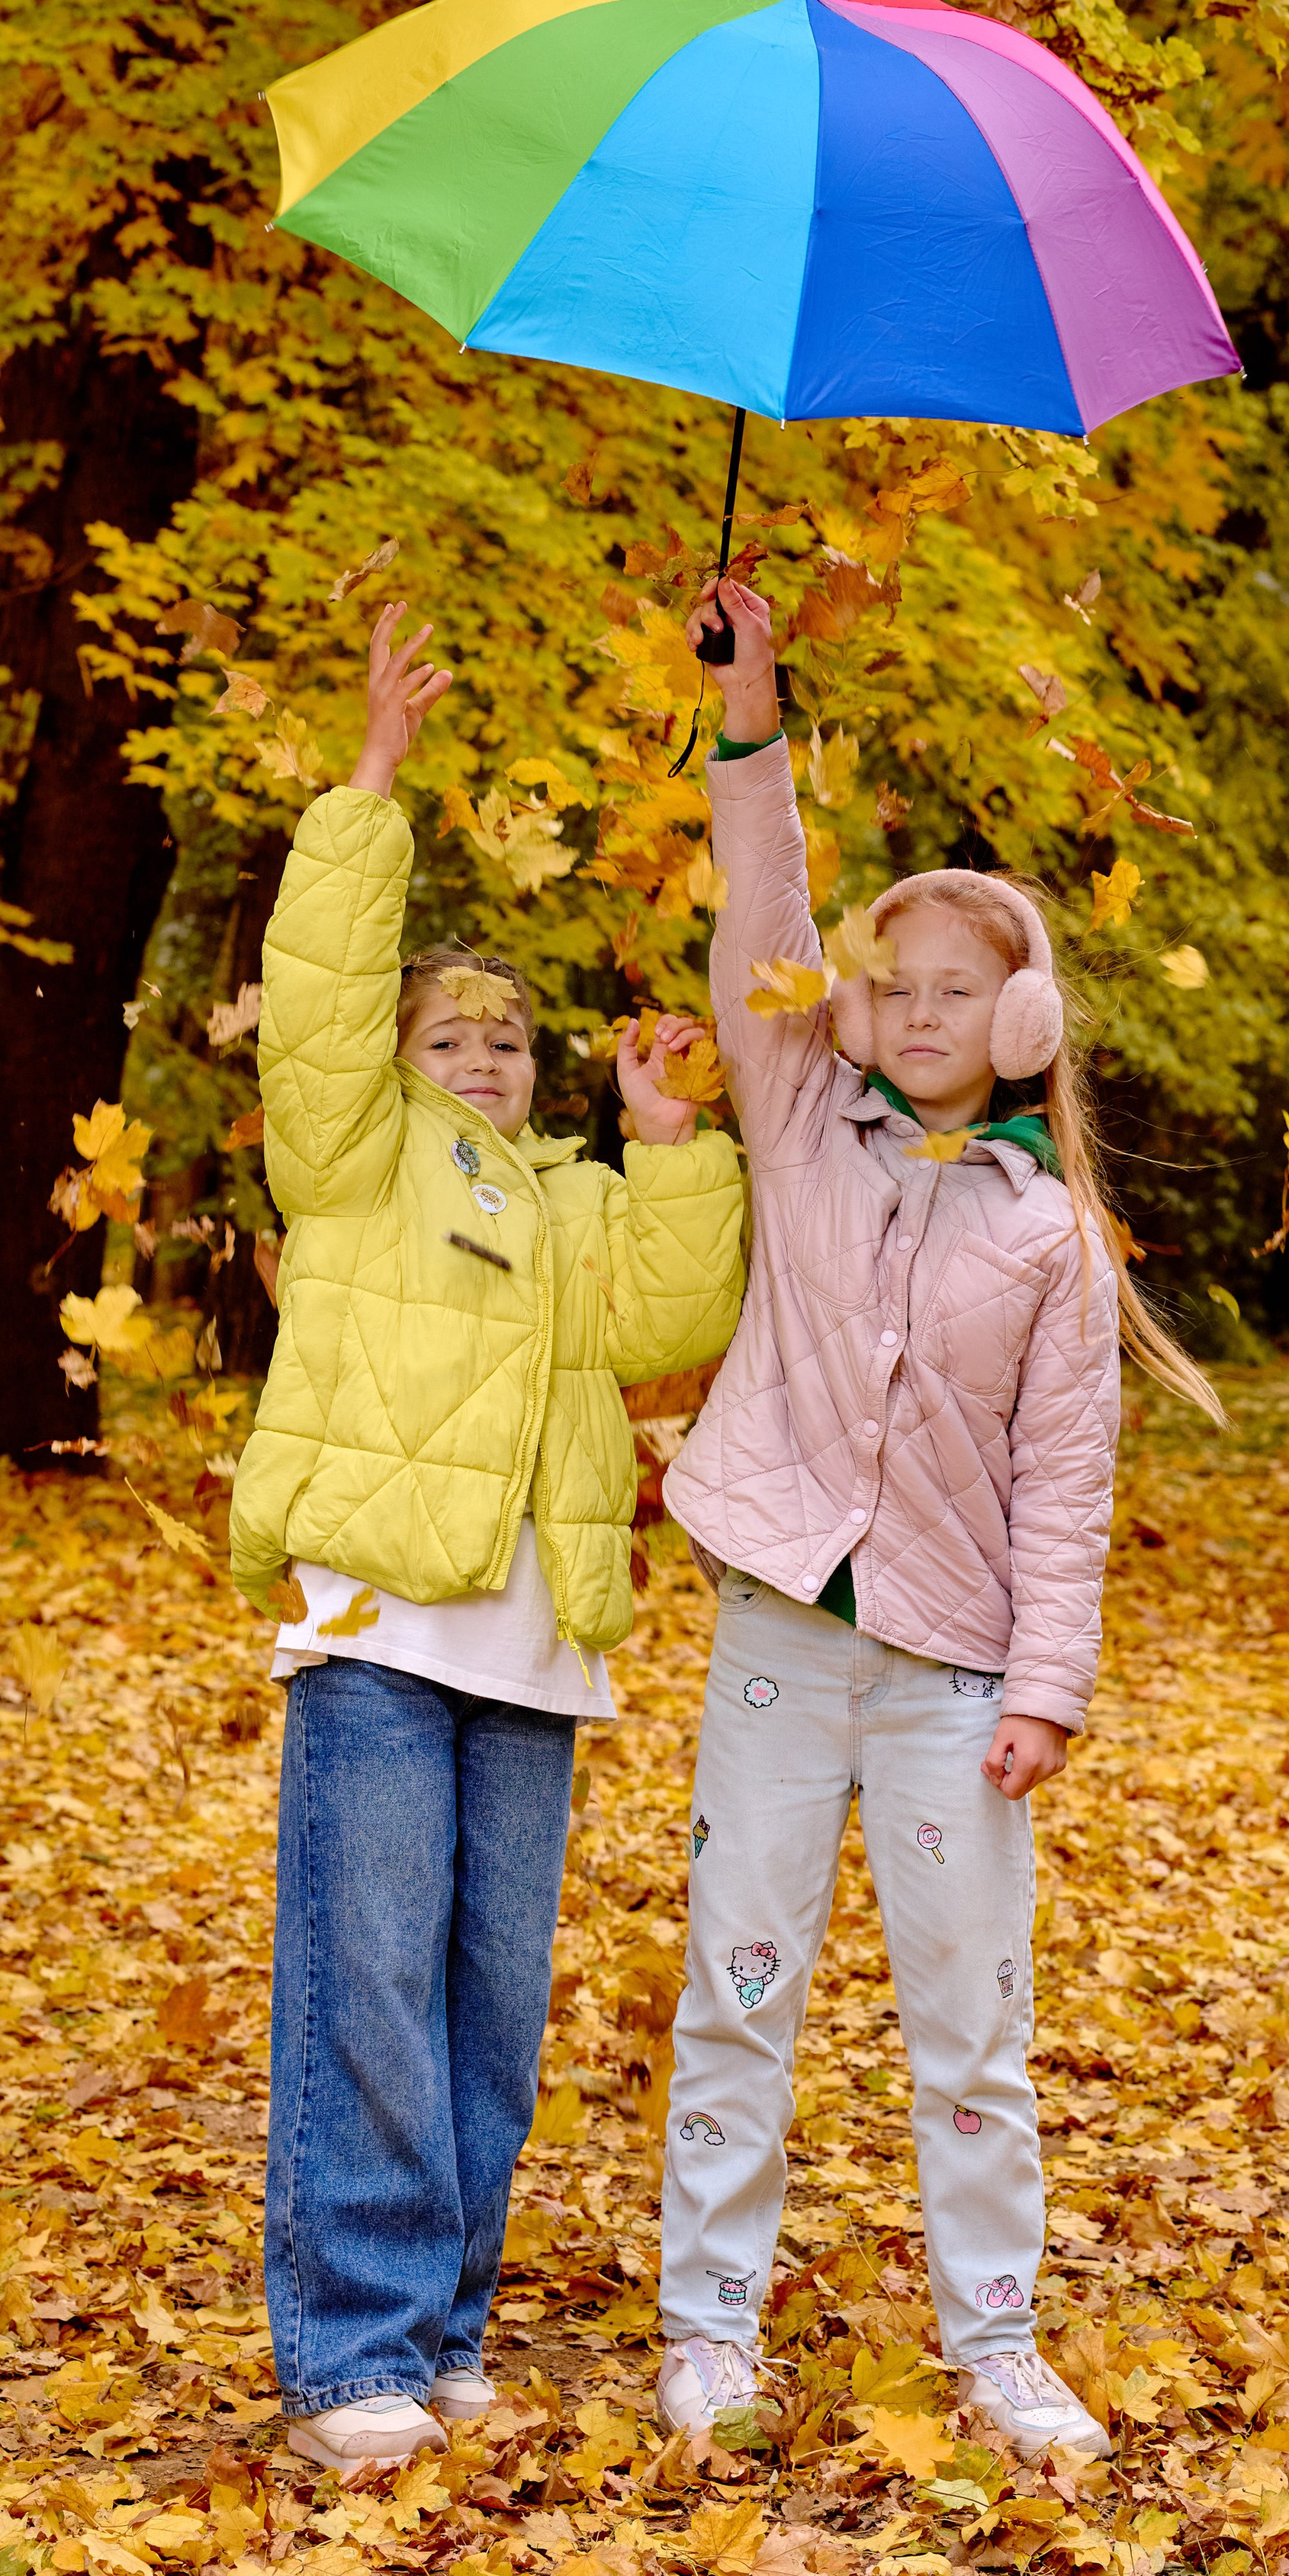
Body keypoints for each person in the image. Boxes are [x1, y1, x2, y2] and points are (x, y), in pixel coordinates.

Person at [654, 574, 1223, 2465]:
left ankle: (994, 2342)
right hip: (777, 1643)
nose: (908, 1011)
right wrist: (750, 727)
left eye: (950, 990)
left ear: (1025, 1016)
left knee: (967, 2027)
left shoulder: (1050, 1234)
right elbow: (763, 921)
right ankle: (707, 2328)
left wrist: (1043, 1686)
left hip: (951, 1672)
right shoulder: (801, 1116)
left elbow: (1069, 1483)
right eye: (887, 986)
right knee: (738, 1991)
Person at [229, 605, 746, 2472]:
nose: (486, 1054)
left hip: (537, 1651)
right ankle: (351, 2353)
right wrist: (368, 787)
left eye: (511, 1037)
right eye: (449, 1034)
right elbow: (313, 1008)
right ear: (392, 1058)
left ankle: (444, 2325)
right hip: (380, 1627)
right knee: (364, 1976)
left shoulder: (572, 1202)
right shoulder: (354, 1158)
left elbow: (673, 1317)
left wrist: (671, 1133)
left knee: (488, 2002)